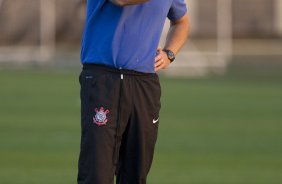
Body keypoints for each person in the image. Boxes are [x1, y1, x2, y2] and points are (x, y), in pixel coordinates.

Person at [77, 0, 189, 183]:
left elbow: (181, 22)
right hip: (103, 79)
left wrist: (169, 54)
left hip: (144, 83)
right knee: (96, 174)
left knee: (136, 173)